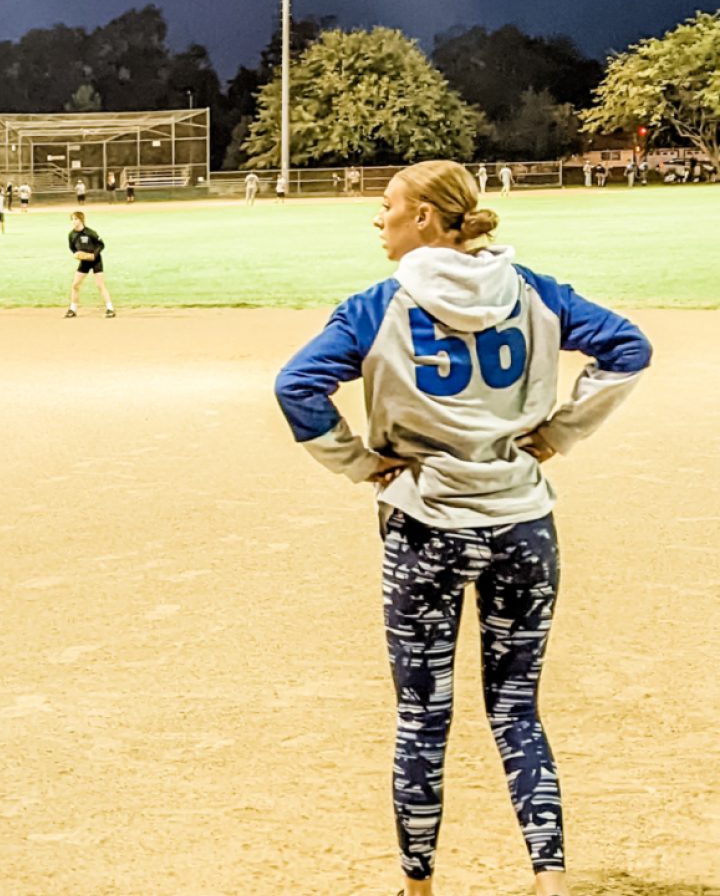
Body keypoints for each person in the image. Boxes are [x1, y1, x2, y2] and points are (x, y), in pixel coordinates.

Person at [275, 160, 651, 896]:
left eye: (388, 204)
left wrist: (362, 464)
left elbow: (296, 386)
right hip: (522, 523)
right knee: (517, 710)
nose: (377, 217)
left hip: (426, 526)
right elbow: (628, 348)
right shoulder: (534, 292)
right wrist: (561, 433)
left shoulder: (376, 306)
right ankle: (550, 881)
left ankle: (419, 889)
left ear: (424, 217)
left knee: (423, 717)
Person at [64, 211, 115, 319]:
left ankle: (110, 309)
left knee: (100, 285)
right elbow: (72, 248)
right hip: (84, 262)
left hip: (96, 261)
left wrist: (93, 255)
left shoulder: (90, 233)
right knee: (75, 285)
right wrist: (77, 254)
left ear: (81, 220)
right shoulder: (71, 234)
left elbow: (101, 245)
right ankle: (73, 309)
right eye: (72, 219)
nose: (74, 221)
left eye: (76, 219)